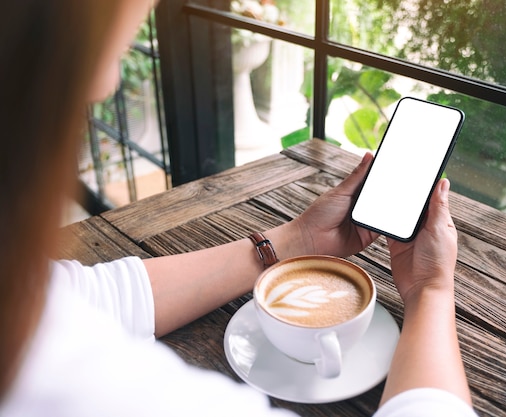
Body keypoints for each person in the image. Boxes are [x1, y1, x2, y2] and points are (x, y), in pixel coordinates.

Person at [0, 1, 476, 416]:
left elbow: (74, 296)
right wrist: (430, 291)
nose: (110, 82)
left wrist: (296, 242)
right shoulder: (76, 384)